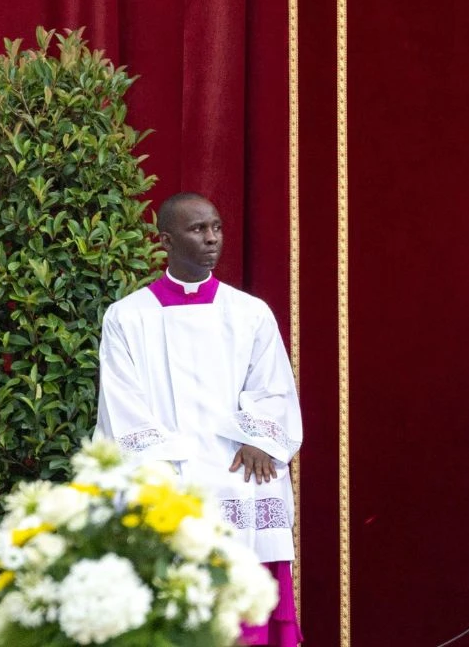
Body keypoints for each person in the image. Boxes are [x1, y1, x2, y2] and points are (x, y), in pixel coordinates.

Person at [95, 192, 303, 647]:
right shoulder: (127, 317)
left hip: (237, 466)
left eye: (217, 228)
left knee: (254, 491)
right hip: (167, 471)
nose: (212, 239)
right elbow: (121, 402)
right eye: (198, 229)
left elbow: (273, 388)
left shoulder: (250, 313)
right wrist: (163, 464)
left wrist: (260, 438)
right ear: (166, 240)